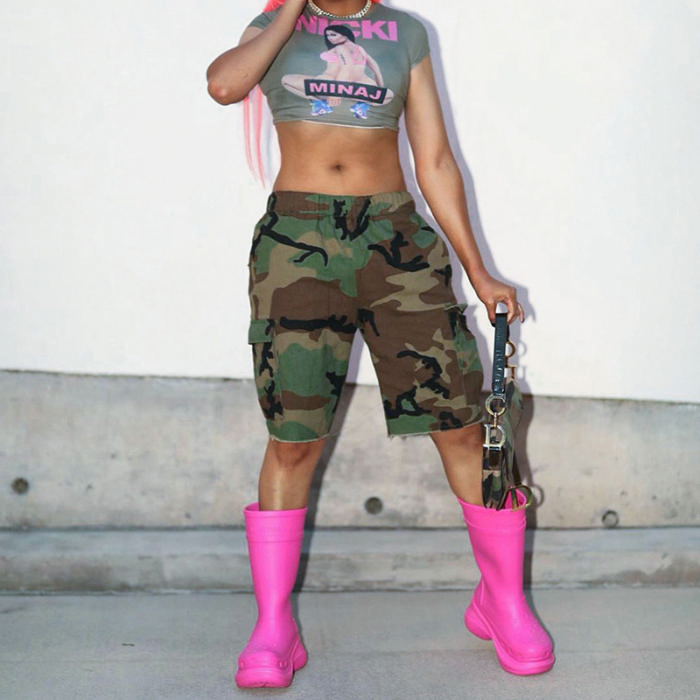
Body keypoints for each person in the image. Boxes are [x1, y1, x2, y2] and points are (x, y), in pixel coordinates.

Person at [206, 0, 554, 688]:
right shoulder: (276, 26)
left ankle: (502, 601)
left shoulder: (405, 33)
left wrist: (479, 271)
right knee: (294, 437)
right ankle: (274, 626)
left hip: (395, 238)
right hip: (297, 240)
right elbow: (224, 84)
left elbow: (435, 160)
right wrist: (289, 9)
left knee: (463, 425)